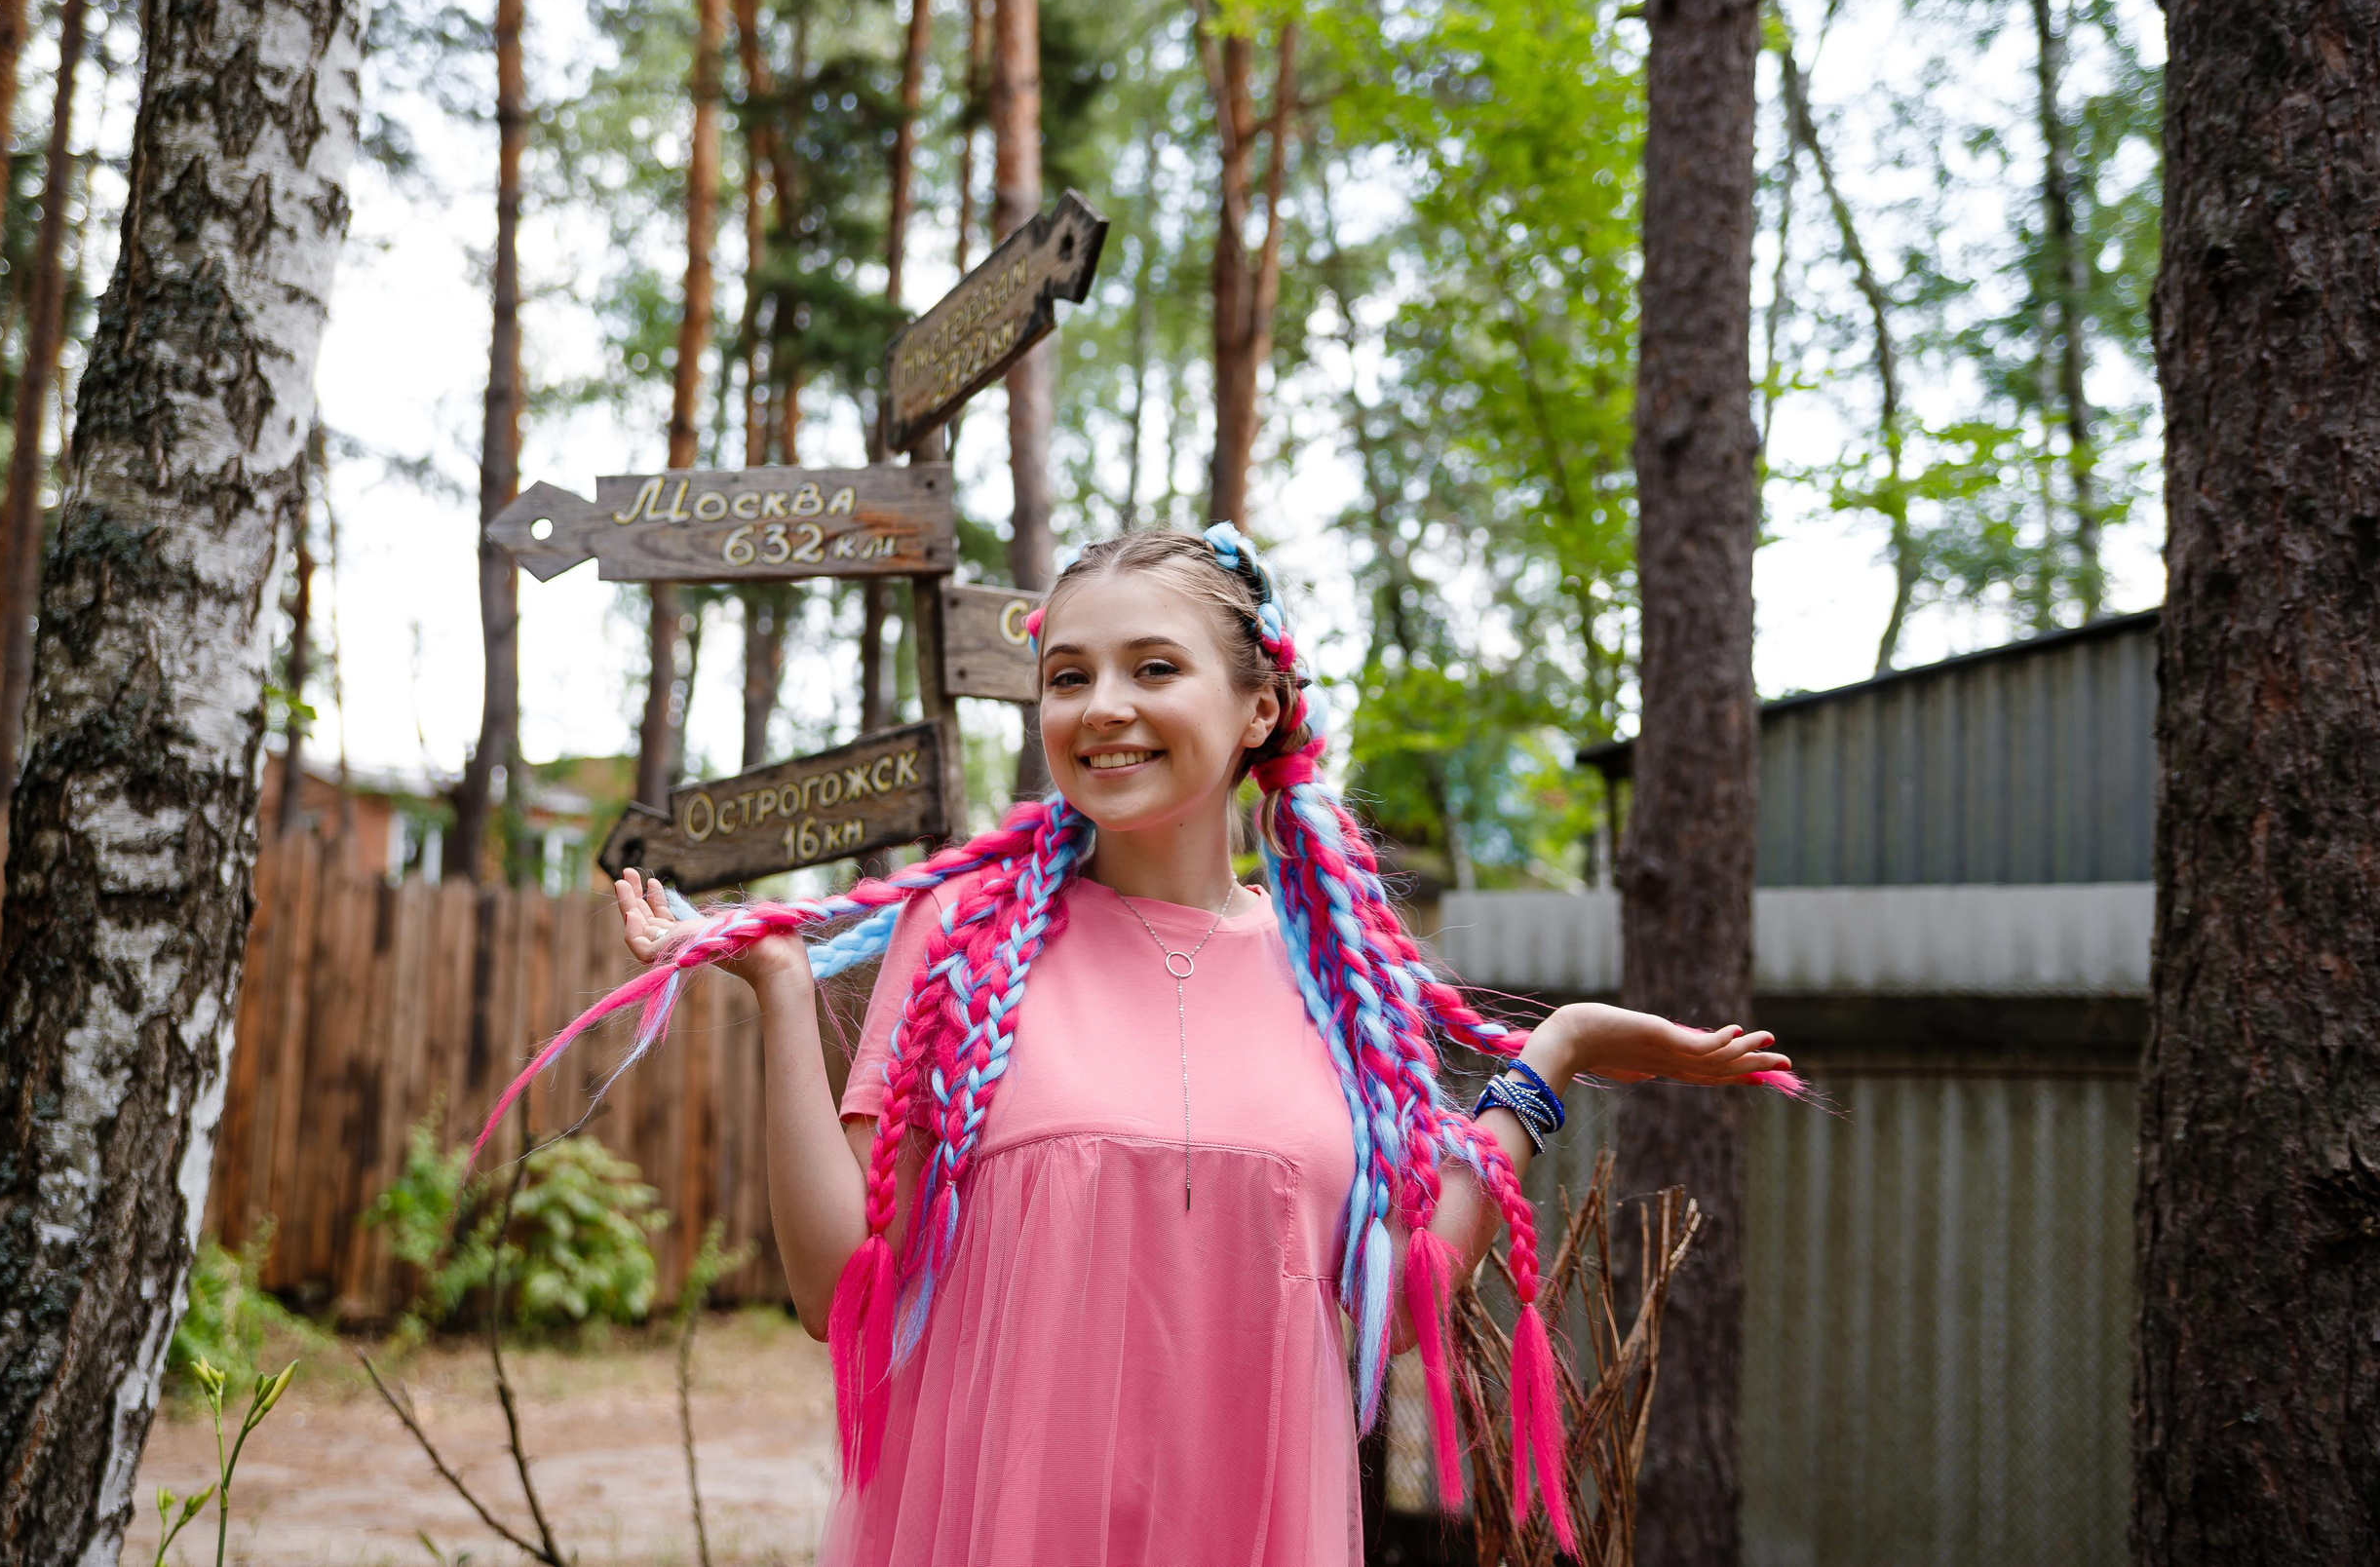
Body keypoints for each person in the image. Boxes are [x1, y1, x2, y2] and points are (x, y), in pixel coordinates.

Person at [483, 524, 1794, 1567]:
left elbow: (1390, 1309)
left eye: (1153, 668)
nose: (1102, 707)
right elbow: (841, 1295)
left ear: (1260, 705)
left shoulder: (1343, 983)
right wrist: (779, 990)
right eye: (1070, 676)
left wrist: (1546, 1062)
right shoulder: (965, 939)